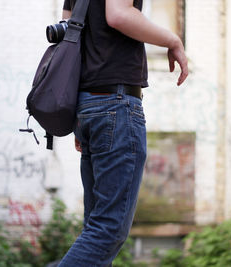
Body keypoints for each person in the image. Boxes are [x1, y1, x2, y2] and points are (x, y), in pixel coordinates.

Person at [59, 0, 188, 266]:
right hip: (114, 104)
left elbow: (69, 30)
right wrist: (172, 39)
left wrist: (80, 114)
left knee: (96, 228)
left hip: (89, 105)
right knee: (107, 230)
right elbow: (118, 15)